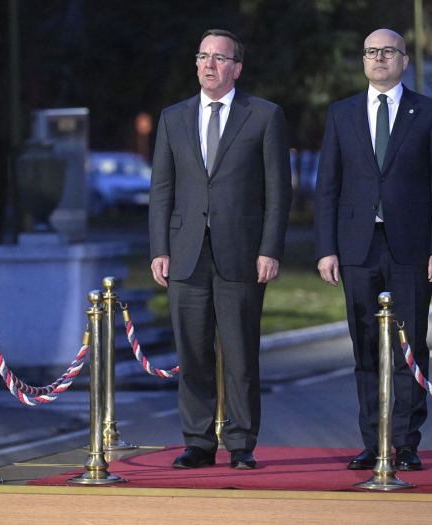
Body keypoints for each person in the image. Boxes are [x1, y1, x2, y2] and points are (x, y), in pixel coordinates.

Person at [314, 29, 432, 471]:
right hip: (356, 247)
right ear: (363, 61)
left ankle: (406, 441)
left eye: (388, 52)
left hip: (412, 248)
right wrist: (326, 249)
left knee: (410, 346)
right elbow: (328, 188)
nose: (379, 59)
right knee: (365, 349)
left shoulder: (429, 113)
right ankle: (373, 441)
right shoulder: (342, 114)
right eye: (372, 52)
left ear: (404, 60)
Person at [149, 29, 292, 470]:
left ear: (237, 68)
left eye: (219, 58)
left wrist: (269, 249)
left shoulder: (264, 116)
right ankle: (197, 442)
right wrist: (159, 249)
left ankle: (241, 444)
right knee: (192, 353)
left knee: (240, 354)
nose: (209, 64)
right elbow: (162, 190)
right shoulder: (173, 118)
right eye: (203, 56)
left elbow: (277, 191)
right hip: (186, 252)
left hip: (242, 253)